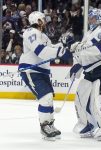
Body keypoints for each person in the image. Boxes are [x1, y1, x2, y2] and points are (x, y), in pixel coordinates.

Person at [67, 8, 101, 141]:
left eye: (93, 17)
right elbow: (84, 53)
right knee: (80, 98)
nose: (91, 20)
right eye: (89, 18)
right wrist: (76, 65)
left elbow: (98, 48)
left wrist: (77, 47)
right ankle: (88, 124)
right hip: (90, 71)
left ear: (100, 18)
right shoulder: (89, 33)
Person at [18, 11, 69, 141]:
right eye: (42, 19)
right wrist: (60, 52)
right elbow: (41, 51)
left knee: (49, 98)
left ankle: (50, 125)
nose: (45, 22)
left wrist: (63, 45)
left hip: (42, 71)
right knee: (45, 98)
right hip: (32, 70)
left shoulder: (43, 35)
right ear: (38, 21)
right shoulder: (30, 32)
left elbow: (52, 48)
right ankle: (45, 126)